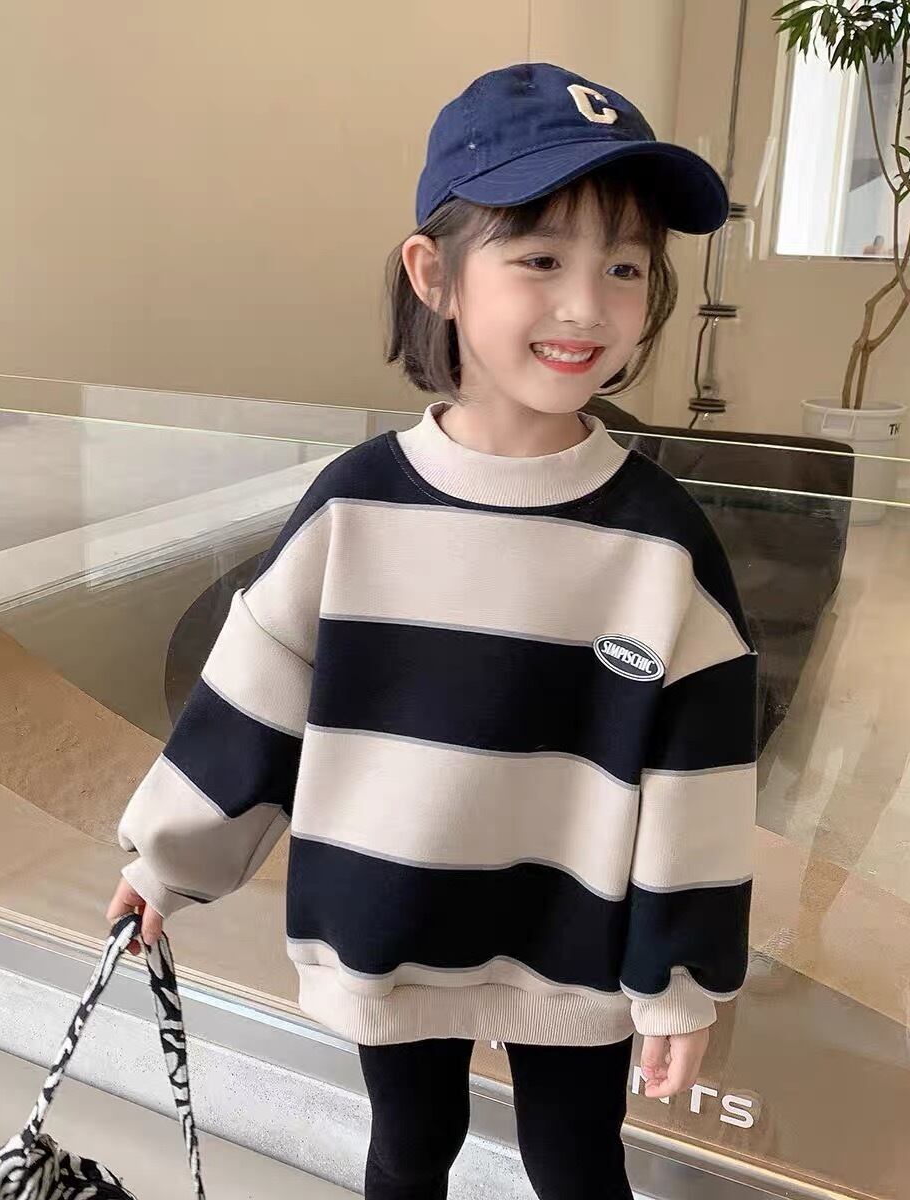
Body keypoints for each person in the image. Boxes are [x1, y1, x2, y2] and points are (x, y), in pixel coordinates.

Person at [107, 61, 759, 1198]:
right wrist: (165, 864)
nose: (586, 306)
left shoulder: (662, 542)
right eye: (540, 258)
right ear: (435, 274)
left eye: (624, 267)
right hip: (392, 922)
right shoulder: (356, 507)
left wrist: (679, 983)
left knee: (576, 1164)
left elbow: (696, 783)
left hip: (577, 945)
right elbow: (254, 700)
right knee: (409, 1149)